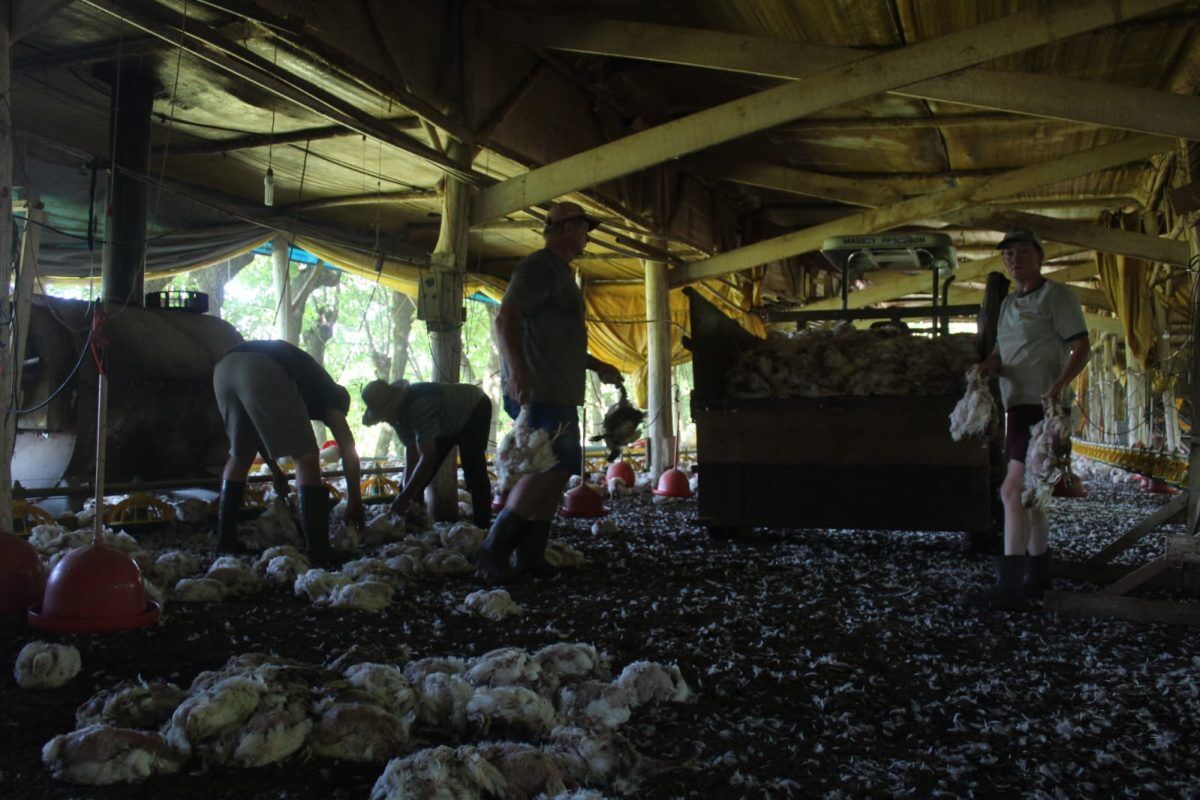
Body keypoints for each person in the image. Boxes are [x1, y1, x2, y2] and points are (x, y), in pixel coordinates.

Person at [476, 200, 623, 583]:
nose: (587, 237)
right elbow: (508, 315)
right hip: (539, 389)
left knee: (558, 470)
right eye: (584, 229)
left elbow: (560, 340)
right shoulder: (539, 266)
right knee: (545, 468)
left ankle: (531, 555)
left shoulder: (560, 274)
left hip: (557, 388)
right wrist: (518, 372)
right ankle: (494, 550)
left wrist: (597, 365)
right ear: (568, 228)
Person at [966, 228, 1091, 610]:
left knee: (1011, 492)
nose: (1014, 259)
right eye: (1008, 255)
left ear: (1039, 256)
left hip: (1042, 408)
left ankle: (1008, 587)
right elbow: (1003, 355)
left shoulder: (1057, 296)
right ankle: (1038, 576)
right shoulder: (1006, 305)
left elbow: (1081, 346)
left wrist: (1058, 386)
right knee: (1033, 496)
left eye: (1022, 252)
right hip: (1016, 407)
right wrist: (981, 369)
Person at [212, 339, 365, 563]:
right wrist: (355, 499)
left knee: (240, 454)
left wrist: (276, 471)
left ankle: (225, 543)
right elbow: (349, 450)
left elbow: (258, 432)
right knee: (307, 456)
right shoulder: (331, 397)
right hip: (262, 367)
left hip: (224, 369)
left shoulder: (303, 386)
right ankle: (319, 549)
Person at [361, 379, 493, 529]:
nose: (384, 419)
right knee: (419, 482)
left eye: (385, 413)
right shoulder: (397, 419)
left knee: (474, 472)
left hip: (473, 407)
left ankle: (483, 527)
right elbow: (412, 452)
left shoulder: (419, 404)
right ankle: (415, 523)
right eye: (381, 415)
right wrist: (405, 490)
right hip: (444, 421)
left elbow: (427, 458)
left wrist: (404, 497)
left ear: (393, 405)